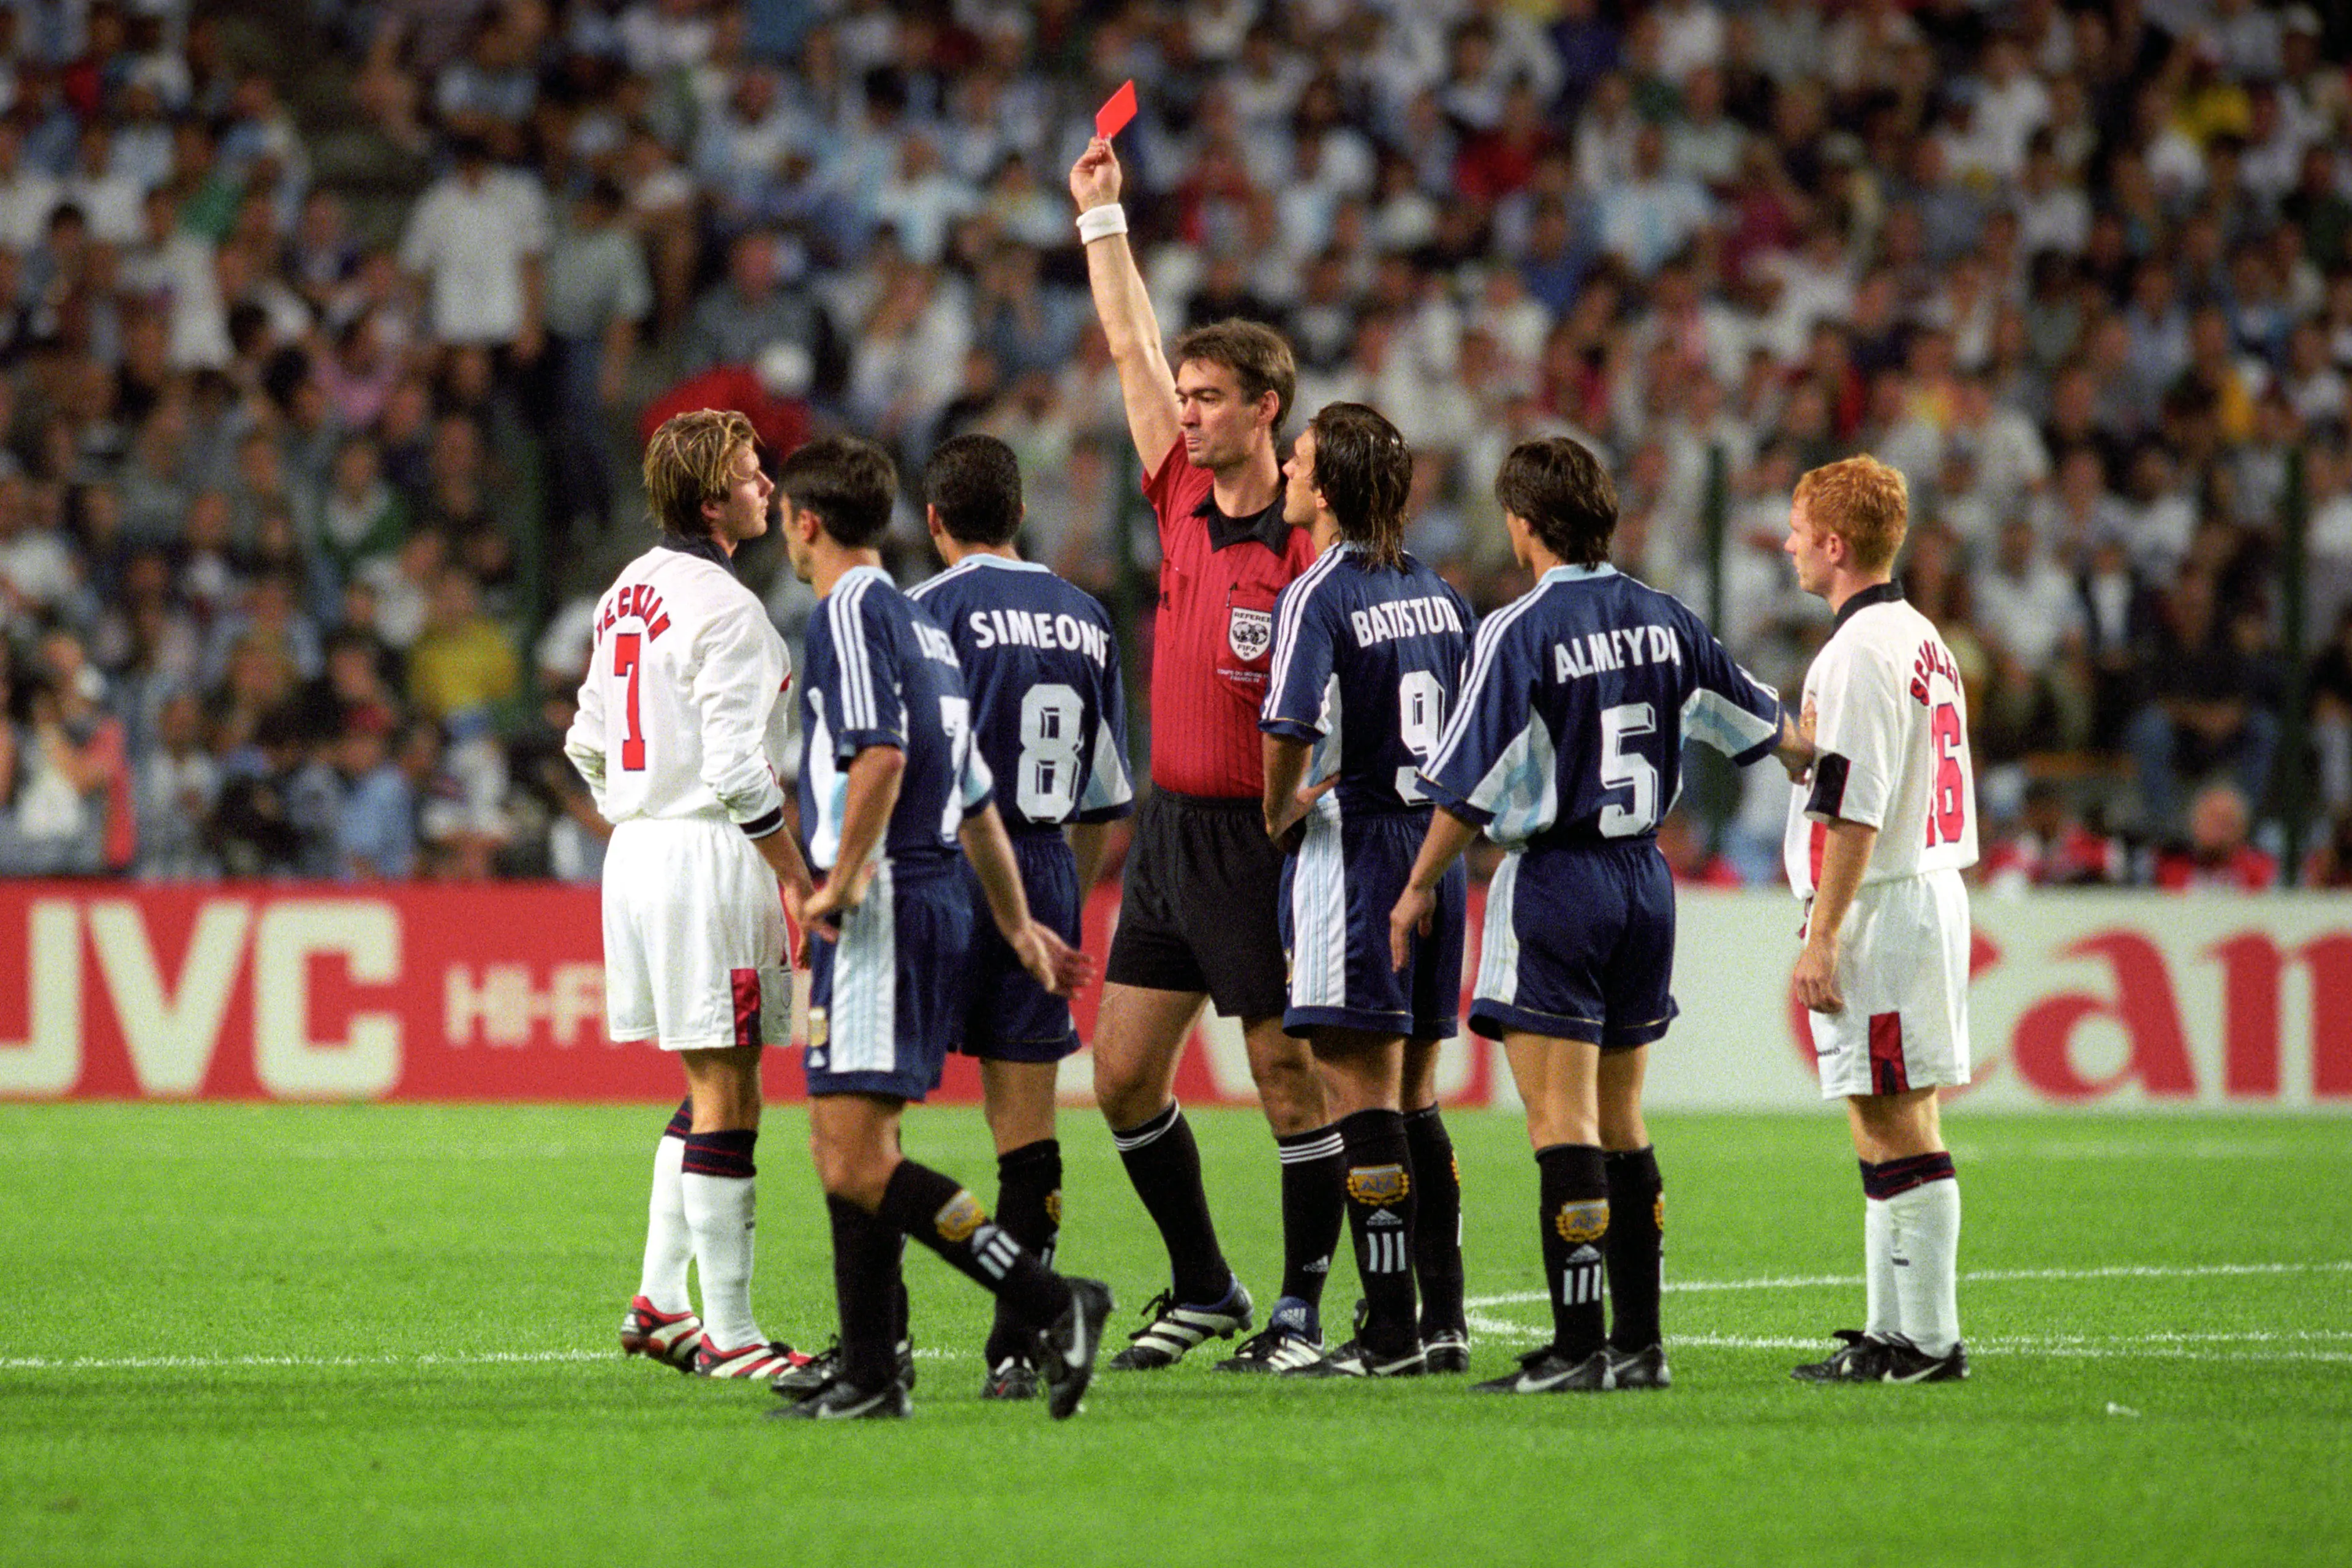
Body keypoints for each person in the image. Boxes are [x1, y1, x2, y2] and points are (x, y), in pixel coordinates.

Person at [1389, 436, 1809, 1393]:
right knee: (1623, 1117)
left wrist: (1417, 886)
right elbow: (1771, 734)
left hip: (1560, 881)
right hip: (1645, 882)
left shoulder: (1519, 629)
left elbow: (1464, 788)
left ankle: (1578, 1349)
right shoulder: (1667, 617)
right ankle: (1641, 1345)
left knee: (1561, 1119)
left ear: (1525, 523)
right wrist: (1833, 763)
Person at [766, 433, 1111, 1422]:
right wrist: (1019, 924)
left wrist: (841, 878)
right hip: (944, 891)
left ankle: (1052, 1301)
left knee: (859, 1157)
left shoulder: (852, 614)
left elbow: (876, 759)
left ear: (806, 522)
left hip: (885, 903)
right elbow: (975, 799)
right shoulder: (921, 629)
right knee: (850, 1144)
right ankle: (872, 1370)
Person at [1069, 134, 1343, 1370]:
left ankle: (1300, 1308)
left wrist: (1332, 785)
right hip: (1172, 828)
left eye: (1210, 397)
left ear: (1265, 408)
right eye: (1184, 397)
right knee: (1122, 1071)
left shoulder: (1308, 545)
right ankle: (1206, 1281)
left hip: (1260, 834)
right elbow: (1127, 342)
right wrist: (1104, 221)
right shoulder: (1177, 488)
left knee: (1286, 1077)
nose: (1186, 409)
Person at [563, 409, 816, 1381]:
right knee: (730, 1089)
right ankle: (736, 1334)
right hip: (710, 855)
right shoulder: (726, 608)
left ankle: (662, 1306)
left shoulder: (627, 590)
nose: (769, 489)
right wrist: (793, 875)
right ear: (713, 499)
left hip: (636, 852)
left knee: (705, 1082)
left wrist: (639, 804)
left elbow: (586, 741)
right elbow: (744, 774)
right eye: (754, 475)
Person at [905, 432, 1135, 1398]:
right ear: (1021, 514)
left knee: (867, 1123)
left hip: (942, 866)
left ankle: (881, 1343)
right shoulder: (1086, 616)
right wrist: (1060, 905)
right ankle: (1017, 1348)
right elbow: (1105, 796)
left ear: (933, 522)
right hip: (1043, 869)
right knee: (1027, 1129)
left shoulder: (921, 612)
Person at [1259, 402, 1476, 1377]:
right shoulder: (1438, 593)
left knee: (1358, 1090)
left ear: (1330, 489)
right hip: (1437, 850)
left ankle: (1387, 1329)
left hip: (1357, 849)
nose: (1286, 474)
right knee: (1418, 1091)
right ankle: (1443, 1322)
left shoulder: (1320, 593)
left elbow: (1289, 724)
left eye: (1298, 462)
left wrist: (1276, 809)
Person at [1781, 454, 1976, 1385]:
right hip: (1912, 893)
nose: (1786, 544)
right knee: (1884, 1113)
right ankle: (1890, 1329)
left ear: (1833, 544)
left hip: (1883, 905)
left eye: (1795, 528)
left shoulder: (1858, 651)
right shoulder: (1920, 636)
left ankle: (1930, 1343)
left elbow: (1856, 810)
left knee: (1896, 1118)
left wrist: (1823, 933)